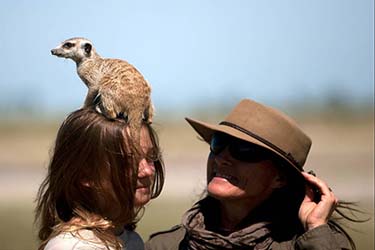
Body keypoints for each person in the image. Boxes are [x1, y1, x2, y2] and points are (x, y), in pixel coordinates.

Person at [146, 98, 361, 250]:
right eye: (218, 143)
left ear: (280, 178)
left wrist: (316, 229)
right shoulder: (167, 246)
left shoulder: (310, 243)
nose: (221, 158)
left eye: (244, 150)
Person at [35, 107, 164, 250]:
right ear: (85, 174)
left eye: (151, 157)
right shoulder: (71, 247)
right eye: (128, 161)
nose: (146, 171)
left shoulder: (131, 241)